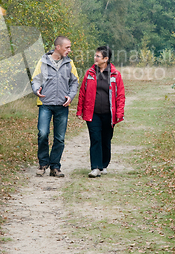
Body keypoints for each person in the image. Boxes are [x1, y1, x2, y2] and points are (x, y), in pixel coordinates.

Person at [31, 36, 79, 177]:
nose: (69, 50)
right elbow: (35, 80)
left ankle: (55, 167)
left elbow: (74, 82)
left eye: (70, 47)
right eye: (67, 47)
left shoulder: (69, 63)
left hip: (62, 105)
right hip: (45, 104)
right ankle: (43, 163)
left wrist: (70, 96)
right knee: (43, 133)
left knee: (60, 138)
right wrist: (36, 90)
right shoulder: (43, 62)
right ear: (58, 47)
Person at [76, 45, 125, 178]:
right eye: (95, 55)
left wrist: (119, 113)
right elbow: (82, 92)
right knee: (95, 138)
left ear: (106, 59)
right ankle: (95, 167)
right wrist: (79, 110)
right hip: (93, 113)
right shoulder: (90, 73)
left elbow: (120, 95)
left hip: (109, 114)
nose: (95, 58)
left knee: (106, 139)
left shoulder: (115, 74)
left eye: (98, 56)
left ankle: (103, 164)